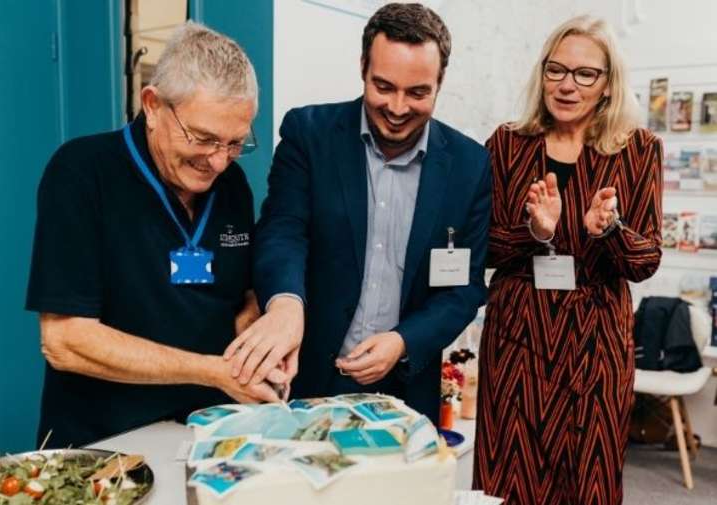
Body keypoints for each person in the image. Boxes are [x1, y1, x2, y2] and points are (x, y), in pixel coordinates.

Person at [225, 2, 491, 424]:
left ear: (440, 83)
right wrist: (285, 305)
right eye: (384, 86)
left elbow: (464, 288)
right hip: (305, 377)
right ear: (362, 66)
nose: (399, 108)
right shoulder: (309, 135)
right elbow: (283, 231)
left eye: (418, 92)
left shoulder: (469, 165)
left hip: (407, 388)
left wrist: (403, 342)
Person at [26, 22, 284, 449]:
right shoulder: (80, 173)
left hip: (207, 435)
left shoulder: (232, 186)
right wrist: (211, 370)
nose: (219, 162)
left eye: (236, 142)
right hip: (104, 444)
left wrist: (258, 344)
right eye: (203, 138)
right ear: (153, 106)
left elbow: (239, 298)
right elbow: (65, 340)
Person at [472, 15, 663, 505]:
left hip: (597, 347)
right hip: (518, 341)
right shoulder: (508, 144)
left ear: (607, 85)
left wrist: (611, 232)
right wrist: (533, 232)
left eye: (584, 74)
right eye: (556, 70)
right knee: (507, 479)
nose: (567, 85)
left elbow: (646, 260)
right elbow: (481, 247)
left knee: (590, 483)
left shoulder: (638, 150)